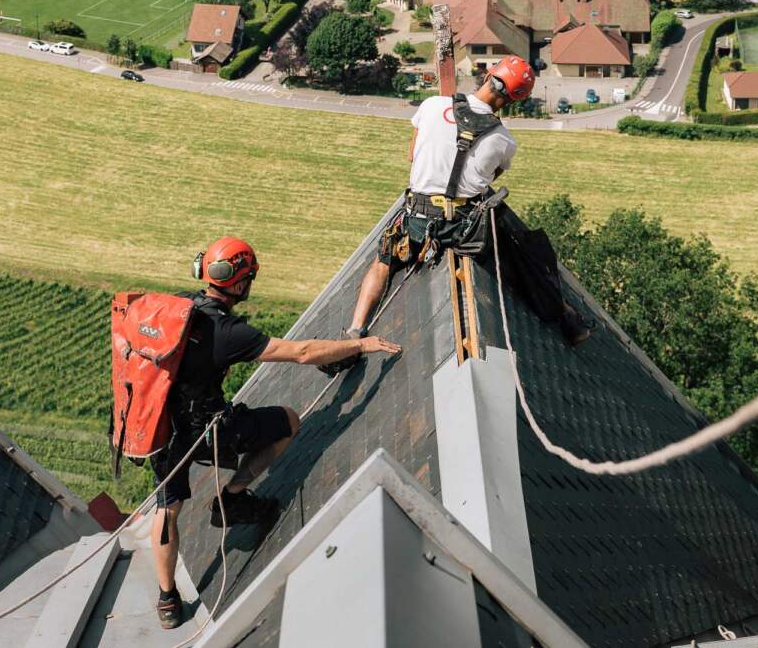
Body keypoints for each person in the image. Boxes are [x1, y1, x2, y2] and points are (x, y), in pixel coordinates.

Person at [151, 237, 400, 630]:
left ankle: (166, 598)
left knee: (168, 508)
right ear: (239, 284)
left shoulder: (180, 306)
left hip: (158, 425)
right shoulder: (228, 331)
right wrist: (359, 343)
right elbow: (301, 352)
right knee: (288, 421)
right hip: (206, 428)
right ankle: (231, 497)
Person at [321, 56, 587, 374]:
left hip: (416, 221)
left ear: (488, 76)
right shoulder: (504, 141)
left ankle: (355, 330)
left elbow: (412, 155)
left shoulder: (433, 106)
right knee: (521, 258)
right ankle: (567, 316)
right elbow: (488, 180)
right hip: (464, 230)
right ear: (515, 99)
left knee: (382, 262)